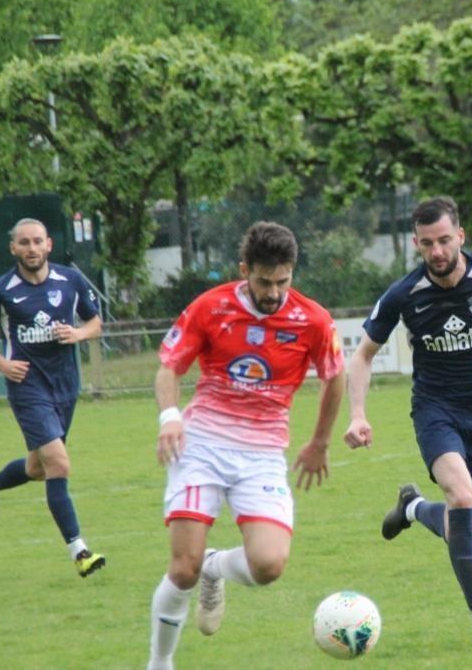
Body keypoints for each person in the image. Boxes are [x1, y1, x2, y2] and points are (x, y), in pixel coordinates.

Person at [344, 196, 472, 650]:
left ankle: (412, 508)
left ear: (461, 236)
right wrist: (357, 415)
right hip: (436, 409)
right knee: (458, 496)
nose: (437, 251)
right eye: (427, 243)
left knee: (464, 525)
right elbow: (362, 356)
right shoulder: (404, 294)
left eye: (444, 240)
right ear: (416, 243)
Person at [147, 222, 345, 670]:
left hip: (261, 455)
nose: (273, 292)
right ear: (244, 270)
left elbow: (336, 376)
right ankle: (159, 664)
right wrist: (170, 417)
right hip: (201, 448)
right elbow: (168, 368)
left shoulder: (312, 319)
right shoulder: (211, 307)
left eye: (283, 281)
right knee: (182, 569)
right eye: (263, 281)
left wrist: (320, 442)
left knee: (270, 565)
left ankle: (216, 568)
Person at [0, 218, 106, 577]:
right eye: (24, 242)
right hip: (27, 387)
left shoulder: (70, 281)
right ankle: (80, 551)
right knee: (58, 465)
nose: (31, 248)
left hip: (64, 384)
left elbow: (95, 323)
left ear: (49, 246)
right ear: (13, 248)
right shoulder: (0, 290)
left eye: (37, 241)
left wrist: (76, 334)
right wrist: (1, 363)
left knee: (37, 468)